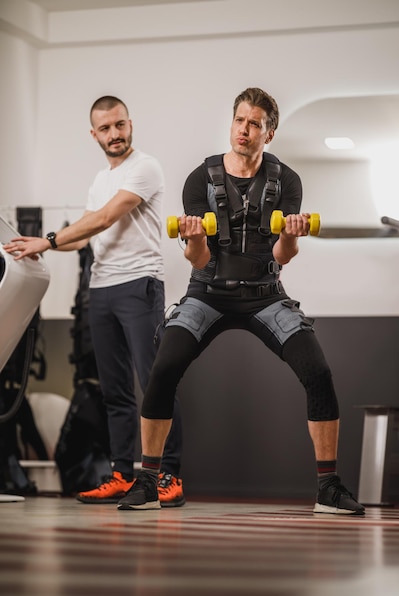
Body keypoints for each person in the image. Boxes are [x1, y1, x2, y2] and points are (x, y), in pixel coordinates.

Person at [116, 87, 365, 515]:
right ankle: (149, 481)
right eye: (239, 121)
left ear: (270, 134)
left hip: (264, 295)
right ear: (231, 123)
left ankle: (328, 487)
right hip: (208, 292)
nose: (244, 130)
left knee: (318, 371)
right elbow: (199, 258)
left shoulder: (287, 181)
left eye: (255, 124)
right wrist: (193, 238)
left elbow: (280, 257)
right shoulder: (200, 179)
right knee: (165, 364)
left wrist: (289, 232)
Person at [4, 95, 185, 507]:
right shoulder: (99, 179)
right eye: (105, 128)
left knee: (155, 383)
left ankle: (167, 475)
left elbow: (105, 217)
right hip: (101, 289)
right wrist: (41, 249)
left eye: (119, 125)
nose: (114, 134)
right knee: (114, 391)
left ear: (130, 124)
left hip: (140, 283)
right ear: (94, 134)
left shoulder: (146, 167)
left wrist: (47, 240)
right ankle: (122, 473)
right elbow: (86, 235)